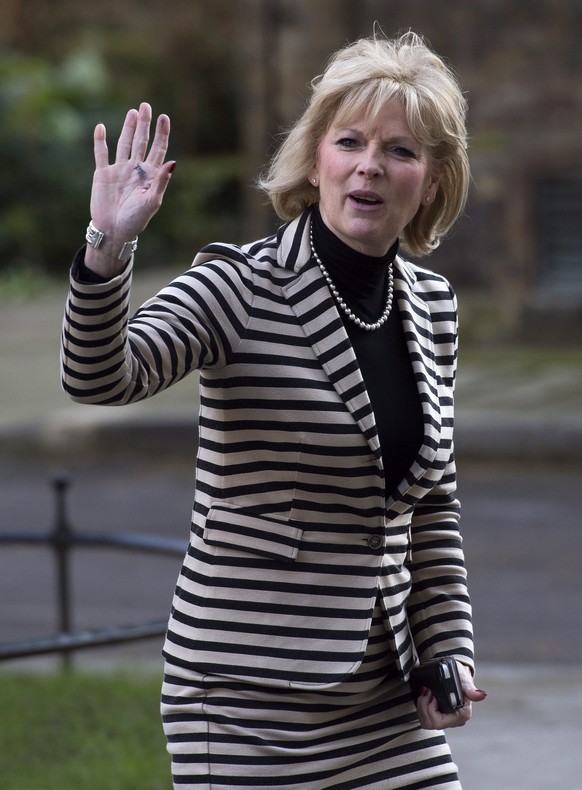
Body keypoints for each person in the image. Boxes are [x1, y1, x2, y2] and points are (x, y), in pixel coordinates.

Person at [61, 30, 487, 790]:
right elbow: (102, 377)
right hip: (244, 698)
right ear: (316, 157)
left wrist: (446, 648)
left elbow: (433, 505)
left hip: (383, 696)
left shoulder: (432, 307)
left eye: (400, 150)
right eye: (349, 141)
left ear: (431, 180)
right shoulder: (238, 288)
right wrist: (106, 251)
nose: (370, 165)